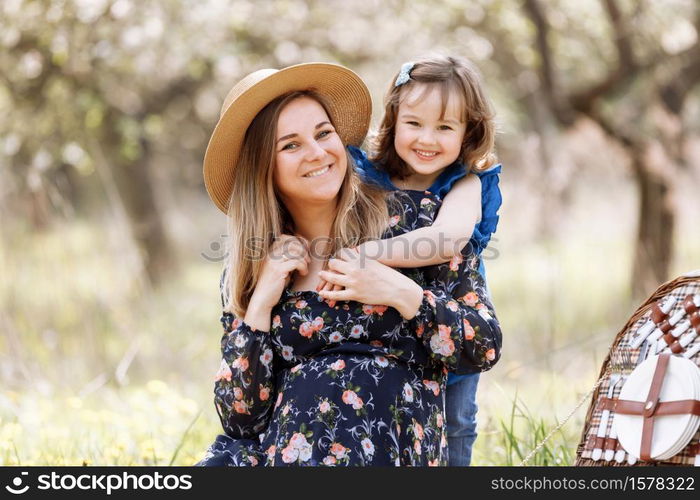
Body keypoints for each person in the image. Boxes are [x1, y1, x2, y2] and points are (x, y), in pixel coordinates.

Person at [197, 62, 501, 466]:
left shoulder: (420, 225)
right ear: (262, 169)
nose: (318, 152)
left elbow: (483, 346)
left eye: (324, 134)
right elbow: (239, 417)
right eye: (291, 145)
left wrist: (403, 294)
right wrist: (260, 306)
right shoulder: (258, 264)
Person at [318, 55, 502, 466]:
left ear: (468, 131)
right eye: (414, 124)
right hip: (388, 343)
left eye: (445, 127)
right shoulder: (367, 176)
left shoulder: (466, 183)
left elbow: (445, 239)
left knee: (454, 426)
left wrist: (368, 254)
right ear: (394, 120)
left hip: (450, 329)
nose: (427, 139)